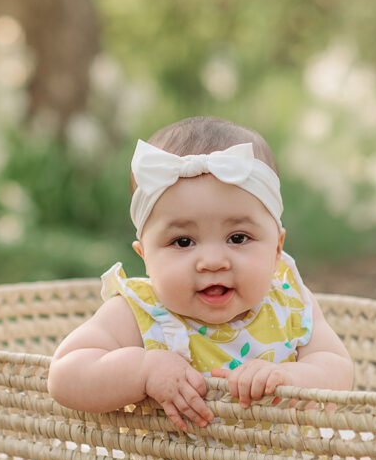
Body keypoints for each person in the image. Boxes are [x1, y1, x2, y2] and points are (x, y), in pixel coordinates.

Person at [47, 116, 353, 431]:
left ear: (277, 248)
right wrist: (143, 369)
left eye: (238, 238)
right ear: (146, 257)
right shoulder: (139, 313)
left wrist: (291, 378)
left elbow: (337, 369)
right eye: (183, 242)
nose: (212, 261)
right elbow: (65, 374)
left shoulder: (291, 303)